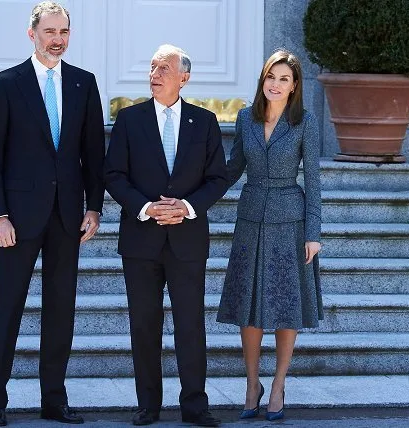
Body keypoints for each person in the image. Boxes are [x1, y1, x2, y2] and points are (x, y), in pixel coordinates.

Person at [0, 2, 105, 426]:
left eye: (63, 31)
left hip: (68, 216)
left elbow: (93, 154)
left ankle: (55, 399)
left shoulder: (84, 84)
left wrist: (94, 206)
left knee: (60, 310)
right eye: (50, 31)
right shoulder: (6, 83)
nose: (58, 39)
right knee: (8, 306)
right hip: (17, 217)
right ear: (31, 33)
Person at [104, 44, 228, 427]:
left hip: (187, 239)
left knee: (191, 324)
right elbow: (113, 176)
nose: (155, 74)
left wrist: (187, 208)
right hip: (141, 239)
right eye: (153, 67)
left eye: (164, 69)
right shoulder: (129, 119)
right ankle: (148, 406)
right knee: (144, 325)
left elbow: (217, 179)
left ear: (184, 78)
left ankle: (195, 405)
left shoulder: (205, 122)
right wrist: (146, 208)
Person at [216, 49, 323, 421]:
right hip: (249, 221)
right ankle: (251, 384)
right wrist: (191, 198)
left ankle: (277, 384)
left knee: (285, 306)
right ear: (263, 81)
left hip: (290, 223)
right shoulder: (246, 118)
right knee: (248, 306)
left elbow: (314, 181)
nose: (275, 85)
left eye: (284, 79)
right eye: (270, 77)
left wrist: (314, 233)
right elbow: (231, 170)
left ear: (294, 87)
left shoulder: (305, 122)